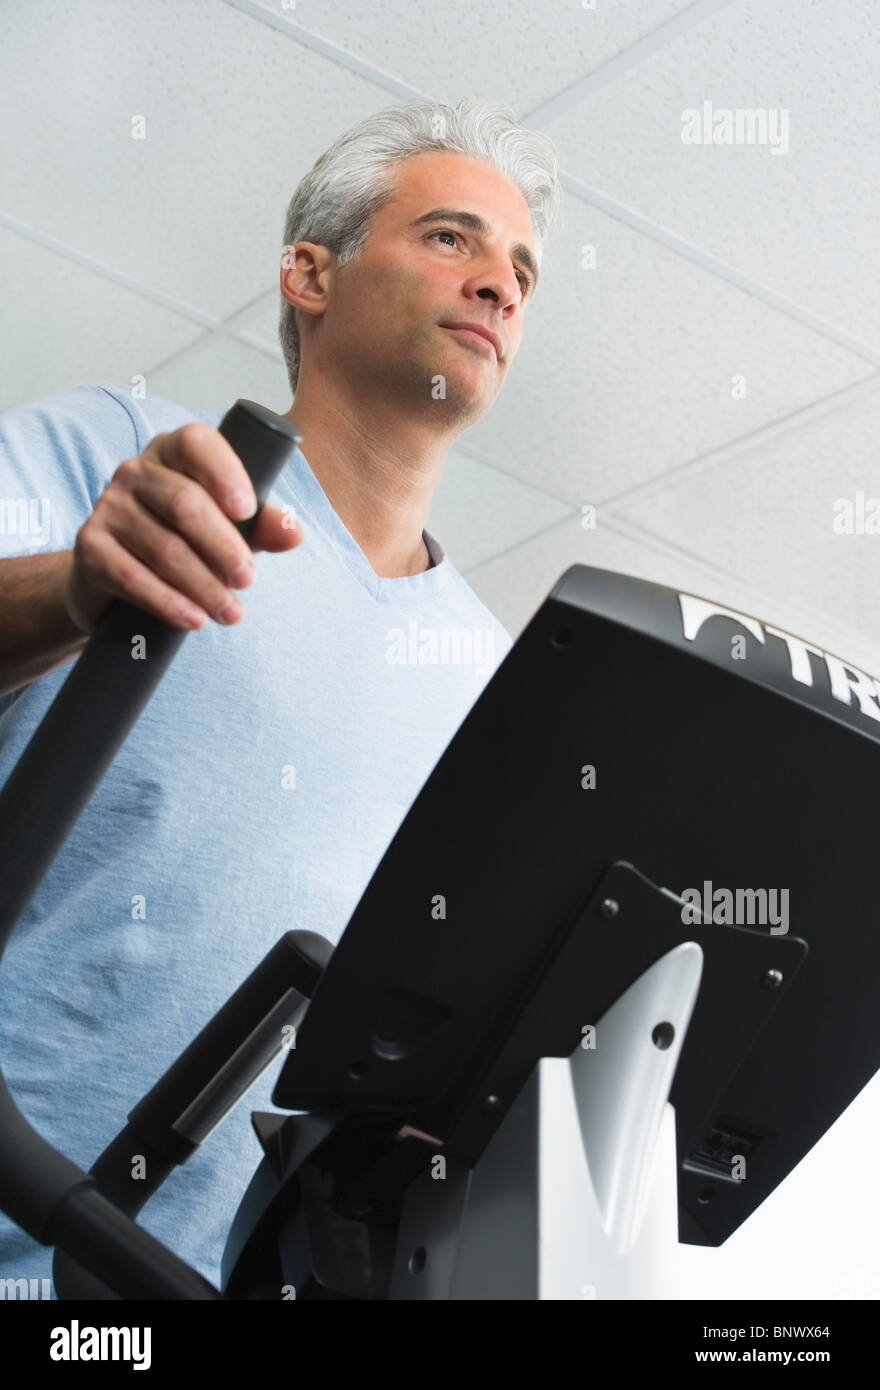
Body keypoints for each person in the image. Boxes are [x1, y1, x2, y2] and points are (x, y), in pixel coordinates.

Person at [0, 97, 561, 1296]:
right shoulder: (124, 453)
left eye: (521, 268)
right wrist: (81, 587)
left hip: (224, 1275)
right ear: (310, 272)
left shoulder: (497, 678)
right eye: (452, 239)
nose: (501, 286)